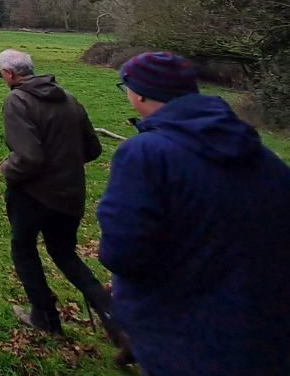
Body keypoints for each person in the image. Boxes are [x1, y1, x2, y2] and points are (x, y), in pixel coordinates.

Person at [97, 51, 290, 376]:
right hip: (264, 325)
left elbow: (122, 251)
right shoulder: (257, 151)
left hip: (183, 331)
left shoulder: (146, 153)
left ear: (139, 93)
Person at [0, 48, 125, 350]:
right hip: (69, 194)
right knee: (65, 254)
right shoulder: (68, 98)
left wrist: (6, 169)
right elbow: (92, 149)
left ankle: (45, 317)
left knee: (24, 249)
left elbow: (29, 157)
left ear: (9, 74)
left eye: (0, 74)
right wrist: (62, 163)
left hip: (32, 194)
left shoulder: (17, 100)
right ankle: (115, 319)